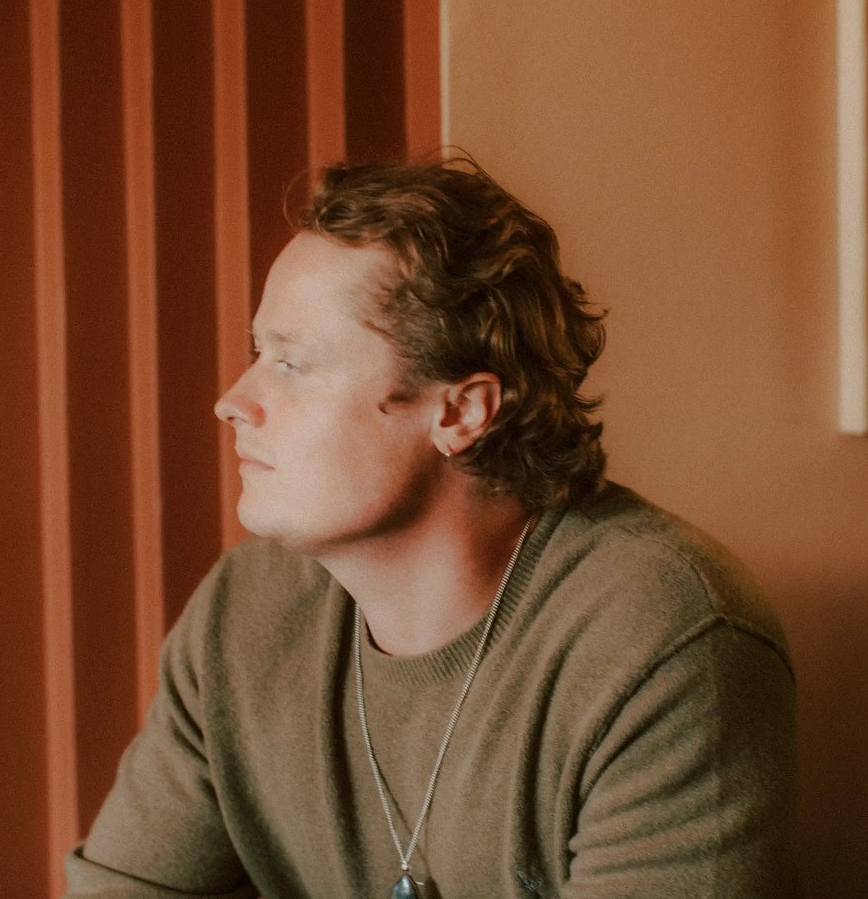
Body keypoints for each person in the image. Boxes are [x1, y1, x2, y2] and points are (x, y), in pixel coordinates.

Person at [64, 156, 796, 899]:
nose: (231, 402)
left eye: (294, 364)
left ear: (460, 412)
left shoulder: (663, 638)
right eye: (260, 353)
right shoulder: (245, 613)